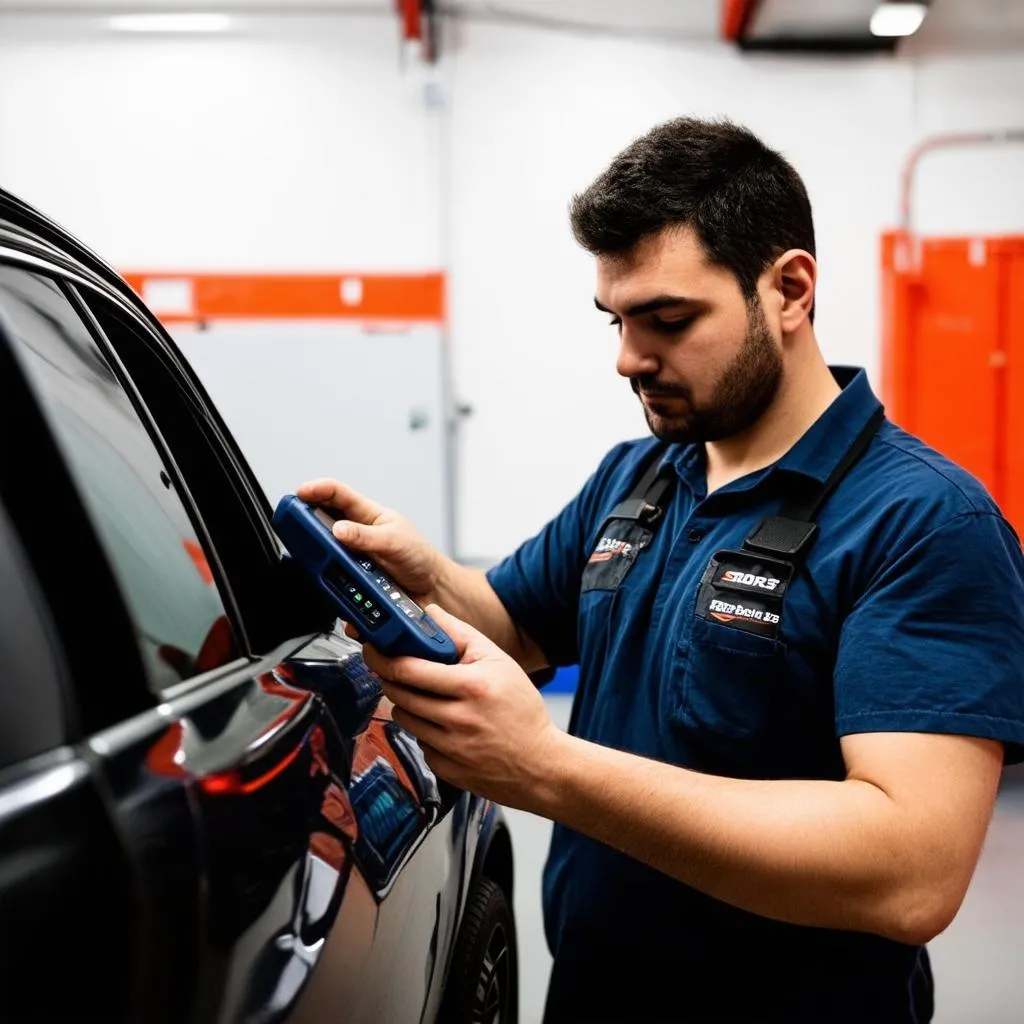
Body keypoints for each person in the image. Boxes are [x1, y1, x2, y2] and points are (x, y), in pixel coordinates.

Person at [298, 117, 1024, 1023]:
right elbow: (517, 627)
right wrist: (425, 573)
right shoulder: (640, 476)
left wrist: (546, 769)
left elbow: (912, 872)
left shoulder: (921, 522)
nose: (628, 358)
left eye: (668, 320)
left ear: (790, 289)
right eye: (617, 319)